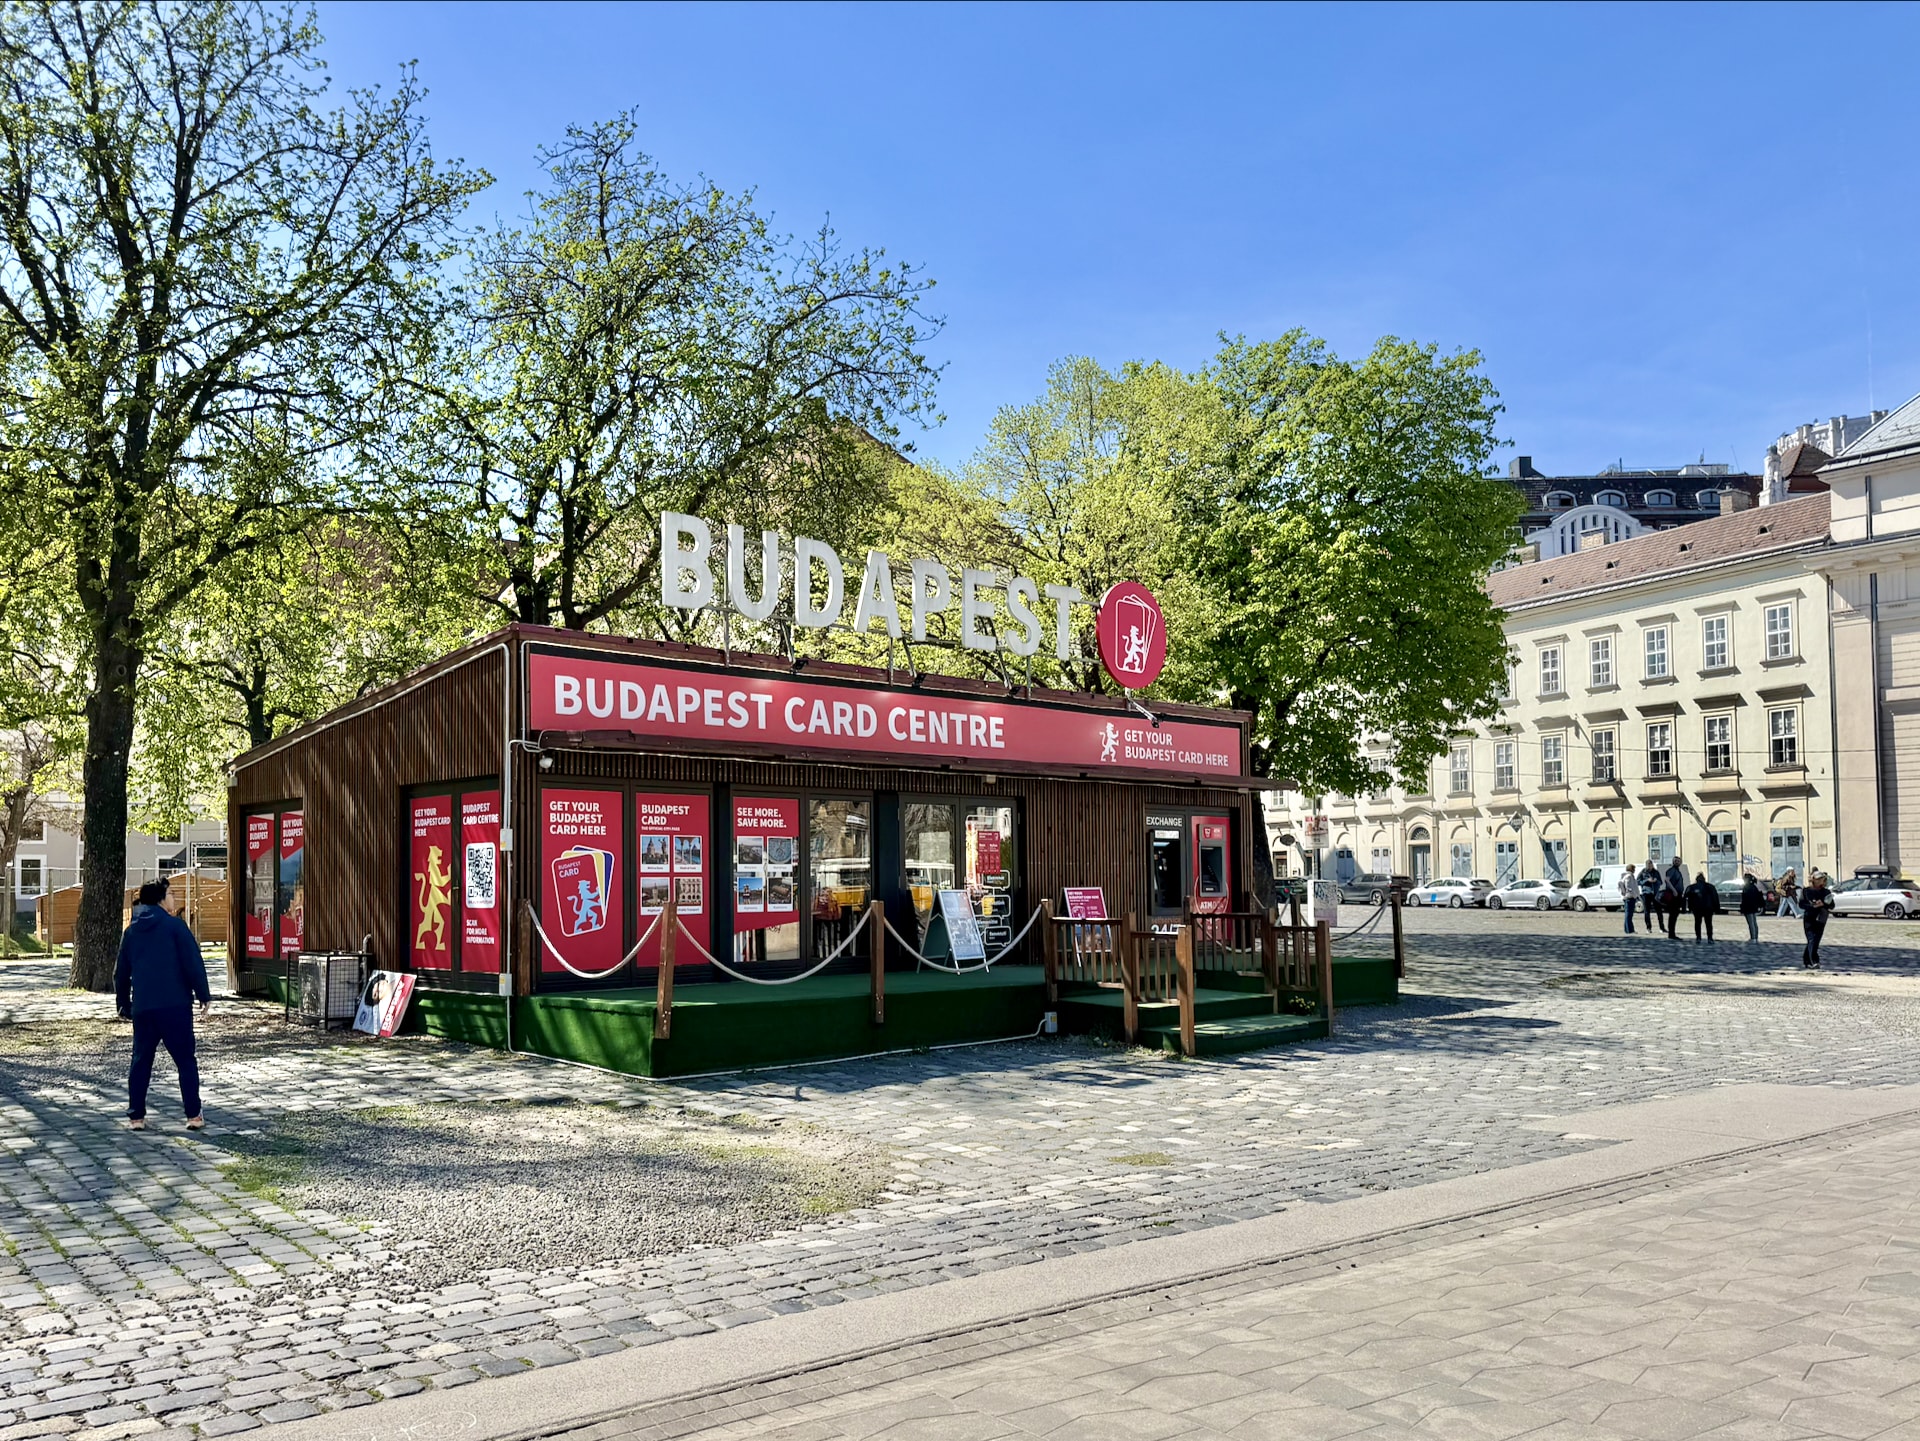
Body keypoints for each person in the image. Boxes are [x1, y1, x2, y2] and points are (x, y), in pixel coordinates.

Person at [114, 877, 210, 1130]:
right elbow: (193, 962)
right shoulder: (175, 927)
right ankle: (193, 1115)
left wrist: (123, 1003)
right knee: (185, 1060)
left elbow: (121, 972)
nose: (174, 899)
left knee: (141, 1060)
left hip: (144, 1006)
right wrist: (204, 995)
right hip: (175, 1005)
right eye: (171, 894)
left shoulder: (131, 931)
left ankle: (136, 1117)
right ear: (160, 898)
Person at [1800, 869, 1834, 969]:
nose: (1820, 881)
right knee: (1811, 939)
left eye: (1822, 879)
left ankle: (1807, 959)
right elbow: (1801, 904)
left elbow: (1832, 905)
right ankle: (1812, 961)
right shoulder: (1806, 891)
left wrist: (1823, 904)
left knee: (1816, 940)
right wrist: (1812, 906)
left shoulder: (1826, 892)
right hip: (1809, 917)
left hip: (1821, 918)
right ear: (1813, 880)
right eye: (1818, 879)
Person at [1684, 871, 1721, 943]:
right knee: (1709, 923)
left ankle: (1698, 937)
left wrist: (1687, 908)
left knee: (1697, 923)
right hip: (1708, 908)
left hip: (1697, 908)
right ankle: (1710, 938)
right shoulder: (1710, 887)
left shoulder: (1692, 887)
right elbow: (1715, 898)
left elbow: (1686, 897)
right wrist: (1717, 909)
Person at [1661, 857, 1687, 939]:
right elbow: (1667, 880)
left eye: (1678, 861)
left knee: (1675, 915)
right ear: (1673, 862)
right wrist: (1674, 890)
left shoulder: (1677, 871)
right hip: (1673, 895)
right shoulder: (1672, 870)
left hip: (1677, 895)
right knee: (1673, 914)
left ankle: (1672, 933)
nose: (1677, 862)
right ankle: (1671, 934)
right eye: (1675, 861)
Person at [1739, 872, 1765, 942]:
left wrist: (1742, 908)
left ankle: (1753, 938)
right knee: (1754, 923)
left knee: (1751, 923)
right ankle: (1755, 937)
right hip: (1753, 907)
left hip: (1748, 907)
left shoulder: (1747, 887)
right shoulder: (1754, 887)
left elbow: (1745, 899)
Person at [1638, 862, 1662, 933]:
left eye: (1651, 865)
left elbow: (1661, 882)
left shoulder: (1656, 872)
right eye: (1648, 865)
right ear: (1646, 865)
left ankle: (1662, 927)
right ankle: (1648, 928)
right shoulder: (1643, 872)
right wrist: (1646, 880)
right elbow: (1638, 882)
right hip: (1646, 893)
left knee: (1659, 911)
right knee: (1647, 911)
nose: (1649, 867)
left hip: (1655, 893)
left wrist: (1656, 881)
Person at [1617, 866, 1639, 934]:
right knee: (1628, 914)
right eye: (1634, 869)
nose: (1634, 870)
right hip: (1629, 897)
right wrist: (1633, 893)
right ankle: (1629, 930)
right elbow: (1628, 886)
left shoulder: (1628, 876)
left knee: (1629, 914)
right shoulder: (1629, 876)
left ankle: (1628, 929)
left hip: (1630, 896)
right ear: (1631, 869)